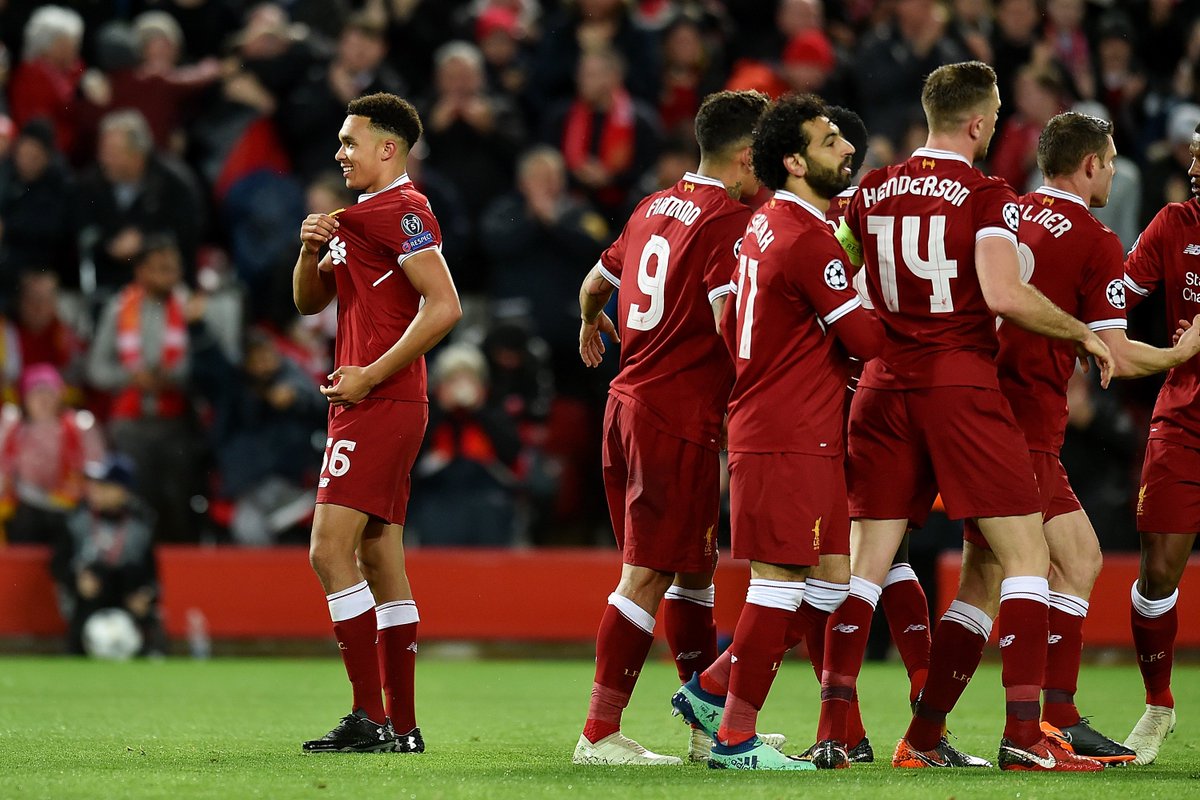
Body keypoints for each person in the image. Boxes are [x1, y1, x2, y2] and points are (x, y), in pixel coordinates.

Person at [828, 61, 1112, 772]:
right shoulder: (986, 194)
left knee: (866, 567)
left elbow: (846, 279)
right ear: (981, 123)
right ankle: (1024, 736)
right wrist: (1081, 333)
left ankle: (844, 730)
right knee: (1025, 559)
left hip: (884, 387)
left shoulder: (873, 187)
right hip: (959, 386)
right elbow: (1003, 292)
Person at [963, 111, 1200, 765]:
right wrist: (1182, 351)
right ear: (1092, 164)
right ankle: (1006, 733)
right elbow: (1118, 352)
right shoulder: (1100, 238)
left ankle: (1047, 719)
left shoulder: (1001, 211)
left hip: (974, 403)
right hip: (1024, 422)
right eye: (1113, 156)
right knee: (1009, 570)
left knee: (1039, 564)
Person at [671, 93, 881, 770]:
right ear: (792, 162)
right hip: (787, 430)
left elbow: (734, 320)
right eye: (829, 142)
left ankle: (711, 689)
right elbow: (865, 338)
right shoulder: (805, 237)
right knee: (780, 583)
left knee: (828, 581)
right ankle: (733, 738)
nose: (847, 148)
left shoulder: (764, 224)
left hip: (793, 425)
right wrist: (886, 278)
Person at [571, 89, 769, 766]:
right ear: (747, 156)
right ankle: (598, 734)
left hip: (625, 406)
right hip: (675, 417)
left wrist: (589, 322)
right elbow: (729, 322)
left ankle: (702, 723)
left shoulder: (653, 205)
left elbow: (593, 285)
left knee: (693, 570)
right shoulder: (726, 220)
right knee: (648, 574)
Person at [293, 92, 461, 754]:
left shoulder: (405, 211)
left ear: (387, 148)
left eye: (350, 142)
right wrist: (309, 253)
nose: (340, 153)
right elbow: (311, 304)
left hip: (380, 403)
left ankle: (369, 717)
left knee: (327, 551)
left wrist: (369, 374)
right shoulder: (357, 218)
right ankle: (404, 725)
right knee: (377, 557)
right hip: (372, 402)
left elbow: (444, 306)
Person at [1120, 117, 1200, 766]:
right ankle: (1158, 703)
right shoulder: (1174, 223)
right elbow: (1118, 291)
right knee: (1157, 572)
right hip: (1184, 418)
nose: (1195, 169)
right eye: (1194, 156)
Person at [49, 454, 165, 657]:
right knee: (95, 572)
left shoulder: (142, 525)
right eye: (94, 486)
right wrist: (77, 579)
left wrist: (146, 595)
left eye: (104, 486)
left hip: (126, 596)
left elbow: (151, 572)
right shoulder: (76, 519)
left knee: (133, 575)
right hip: (89, 597)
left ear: (123, 490)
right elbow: (57, 563)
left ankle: (150, 649)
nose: (95, 492)